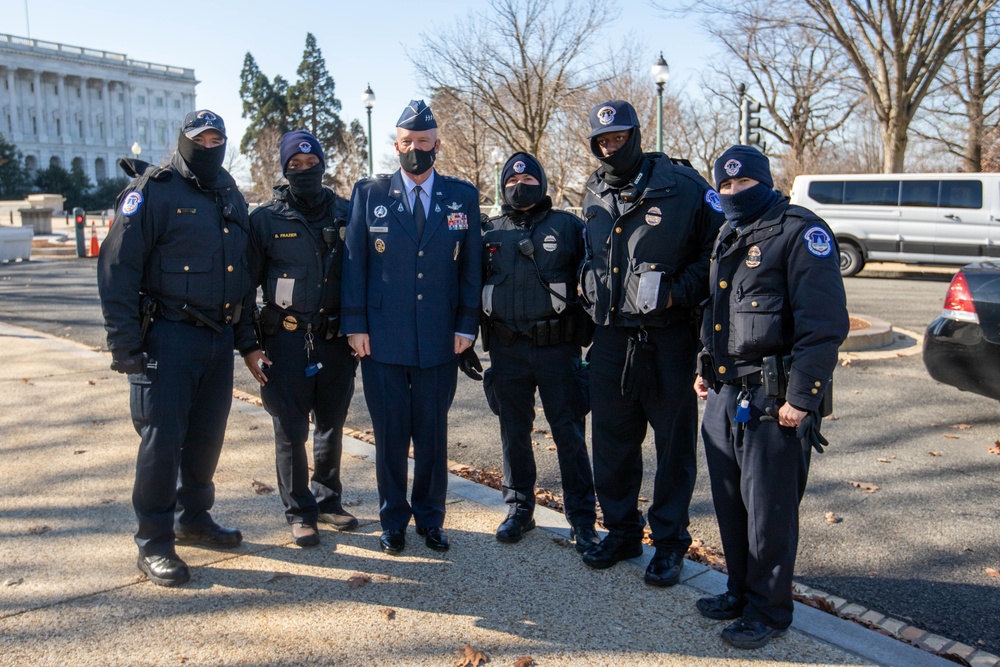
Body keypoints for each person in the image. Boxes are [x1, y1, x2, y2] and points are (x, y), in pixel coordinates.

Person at [694, 145, 848, 648]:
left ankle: (769, 610)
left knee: (769, 515)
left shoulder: (802, 232)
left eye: (743, 184)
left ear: (765, 182)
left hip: (772, 400)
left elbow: (822, 327)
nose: (734, 192)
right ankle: (739, 592)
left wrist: (802, 398)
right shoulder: (729, 233)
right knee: (730, 506)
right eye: (726, 186)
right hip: (726, 393)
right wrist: (706, 368)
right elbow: (717, 312)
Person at [97, 109, 251, 587]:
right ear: (183, 143)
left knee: (207, 437)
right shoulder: (153, 191)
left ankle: (194, 518)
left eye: (217, 139)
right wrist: (124, 343)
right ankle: (154, 541)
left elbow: (242, 272)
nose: (210, 146)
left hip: (217, 337)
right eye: (200, 139)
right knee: (162, 444)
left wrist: (244, 338)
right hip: (168, 336)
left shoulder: (228, 192)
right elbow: (118, 268)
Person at [578, 100, 724, 586]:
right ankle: (621, 532)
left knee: (673, 447)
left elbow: (719, 252)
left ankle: (668, 543)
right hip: (611, 340)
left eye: (618, 138)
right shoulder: (594, 190)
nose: (610, 148)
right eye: (602, 142)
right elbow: (589, 252)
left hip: (668, 340)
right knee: (612, 445)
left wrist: (677, 290)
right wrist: (586, 280)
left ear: (636, 136)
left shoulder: (683, 187)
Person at [341, 100, 481, 554]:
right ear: (395, 146)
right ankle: (392, 520)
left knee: (432, 433)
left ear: (437, 144)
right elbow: (354, 263)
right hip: (381, 336)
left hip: (440, 337)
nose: (415, 150)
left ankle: (430, 518)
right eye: (407, 143)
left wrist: (466, 324)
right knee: (390, 435)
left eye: (423, 142)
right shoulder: (370, 193)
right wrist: (355, 324)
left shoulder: (462, 196)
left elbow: (472, 268)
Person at [237, 130, 358, 548]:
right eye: (296, 166)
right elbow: (243, 290)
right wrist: (250, 346)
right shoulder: (265, 219)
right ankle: (299, 510)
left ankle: (328, 500)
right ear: (284, 169)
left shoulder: (346, 213)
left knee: (331, 424)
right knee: (290, 429)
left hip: (335, 340)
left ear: (323, 165)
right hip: (285, 342)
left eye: (311, 164)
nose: (305, 171)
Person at [480, 151, 599, 550]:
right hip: (506, 348)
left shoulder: (568, 227)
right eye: (511, 183)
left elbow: (595, 281)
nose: (519, 187)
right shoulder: (488, 231)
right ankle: (519, 510)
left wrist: (593, 337)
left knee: (569, 434)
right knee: (513, 432)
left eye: (528, 180)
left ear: (542, 184)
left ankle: (581, 519)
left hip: (557, 349)